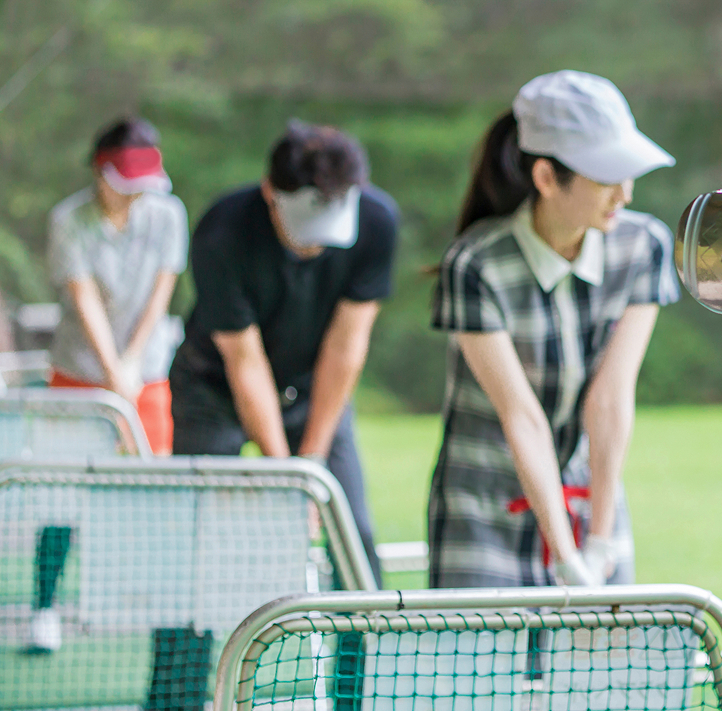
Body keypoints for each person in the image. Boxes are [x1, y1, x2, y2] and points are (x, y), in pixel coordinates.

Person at [428, 71, 678, 588]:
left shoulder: (644, 247)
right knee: (479, 668)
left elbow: (609, 401)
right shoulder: (475, 263)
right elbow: (522, 417)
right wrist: (564, 557)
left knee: (600, 670)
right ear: (546, 178)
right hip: (483, 506)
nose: (624, 194)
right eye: (607, 177)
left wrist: (600, 541)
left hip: (592, 497)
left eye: (628, 174)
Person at [168, 121, 396, 583]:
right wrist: (288, 477)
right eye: (304, 227)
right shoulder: (223, 231)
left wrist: (310, 464)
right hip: (213, 392)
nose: (313, 244)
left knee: (354, 537)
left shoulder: (376, 221)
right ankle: (182, 659)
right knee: (191, 539)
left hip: (314, 391)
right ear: (271, 191)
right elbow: (244, 363)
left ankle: (359, 657)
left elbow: (346, 346)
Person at [46, 117, 187, 455]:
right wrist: (112, 372)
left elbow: (160, 294)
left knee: (151, 475)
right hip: (79, 369)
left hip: (145, 372)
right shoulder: (69, 220)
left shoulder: (168, 215)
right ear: (100, 173)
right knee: (67, 476)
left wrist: (131, 364)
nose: (134, 194)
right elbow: (85, 299)